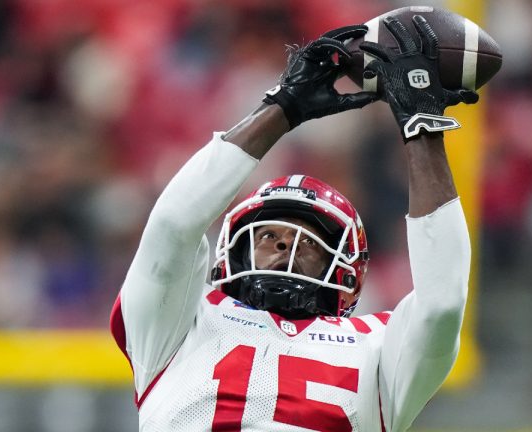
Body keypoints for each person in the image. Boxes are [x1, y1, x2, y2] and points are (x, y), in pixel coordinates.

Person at [111, 15, 478, 431]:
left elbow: (443, 302)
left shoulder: (376, 345)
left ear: (348, 271)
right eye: (269, 234)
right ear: (232, 248)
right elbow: (174, 225)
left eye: (311, 243)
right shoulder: (178, 324)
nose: (286, 246)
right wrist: (283, 106)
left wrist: (422, 127)